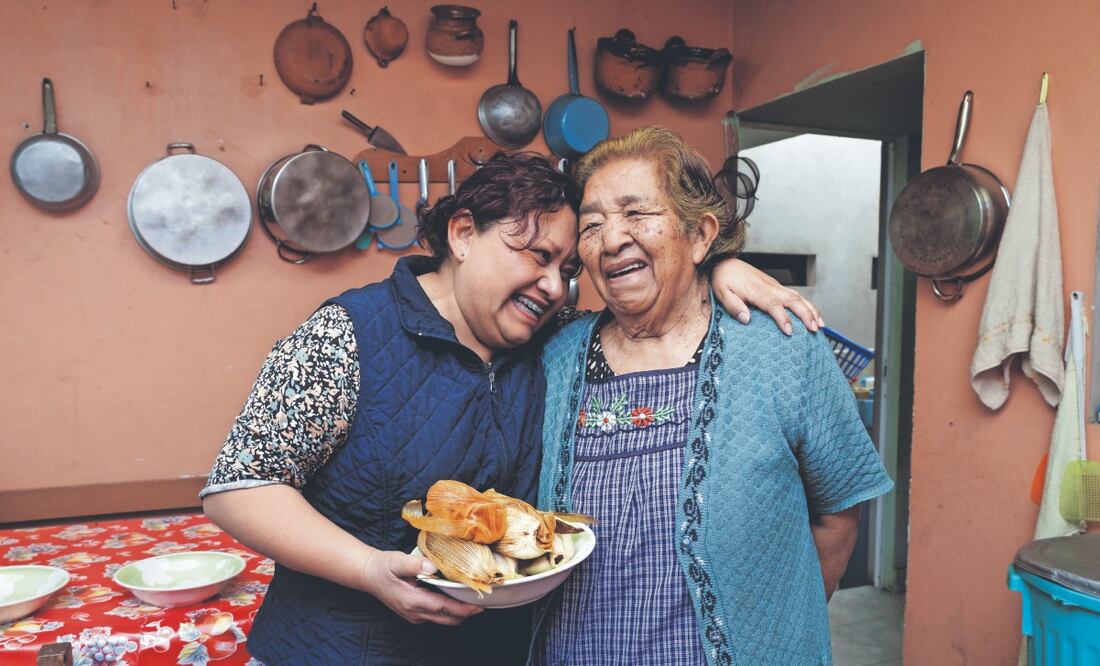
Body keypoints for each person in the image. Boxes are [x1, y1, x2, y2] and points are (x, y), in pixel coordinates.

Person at [201, 152, 822, 665]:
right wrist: (369, 569)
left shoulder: (554, 343)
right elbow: (239, 487)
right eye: (536, 255)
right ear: (464, 234)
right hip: (336, 651)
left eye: (567, 268)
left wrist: (717, 267)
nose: (555, 286)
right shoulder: (350, 335)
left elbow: (653, 294)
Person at [534, 127, 894, 666]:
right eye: (593, 225)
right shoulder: (553, 356)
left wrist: (778, 625)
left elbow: (839, 509)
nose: (611, 241)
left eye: (636, 214)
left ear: (699, 235)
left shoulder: (783, 346)